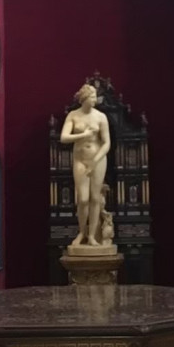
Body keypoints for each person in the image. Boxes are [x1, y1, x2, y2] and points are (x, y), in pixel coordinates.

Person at [60, 83, 111, 246]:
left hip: (98, 160)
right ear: (84, 98)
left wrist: (95, 161)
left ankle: (91, 236)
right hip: (80, 160)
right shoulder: (73, 115)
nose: (95, 99)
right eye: (92, 97)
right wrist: (84, 135)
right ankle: (81, 232)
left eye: (95, 96)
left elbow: (107, 143)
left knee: (95, 197)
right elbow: (63, 137)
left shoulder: (101, 117)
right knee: (82, 199)